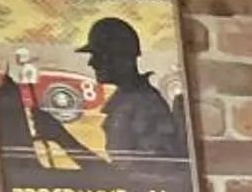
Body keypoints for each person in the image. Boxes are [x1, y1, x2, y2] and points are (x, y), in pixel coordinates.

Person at [78, 17, 186, 160]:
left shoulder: (145, 105)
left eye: (99, 56)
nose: (91, 63)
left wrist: (61, 137)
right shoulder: (127, 101)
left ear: (121, 58)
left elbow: (150, 174)